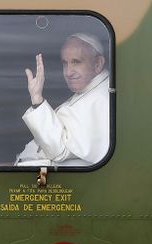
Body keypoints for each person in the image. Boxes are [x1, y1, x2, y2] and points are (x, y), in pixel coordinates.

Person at [15, 33, 110, 166]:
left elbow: (58, 151)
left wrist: (37, 99)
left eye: (76, 62)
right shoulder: (91, 89)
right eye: (65, 63)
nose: (68, 72)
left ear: (98, 64)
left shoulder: (100, 99)